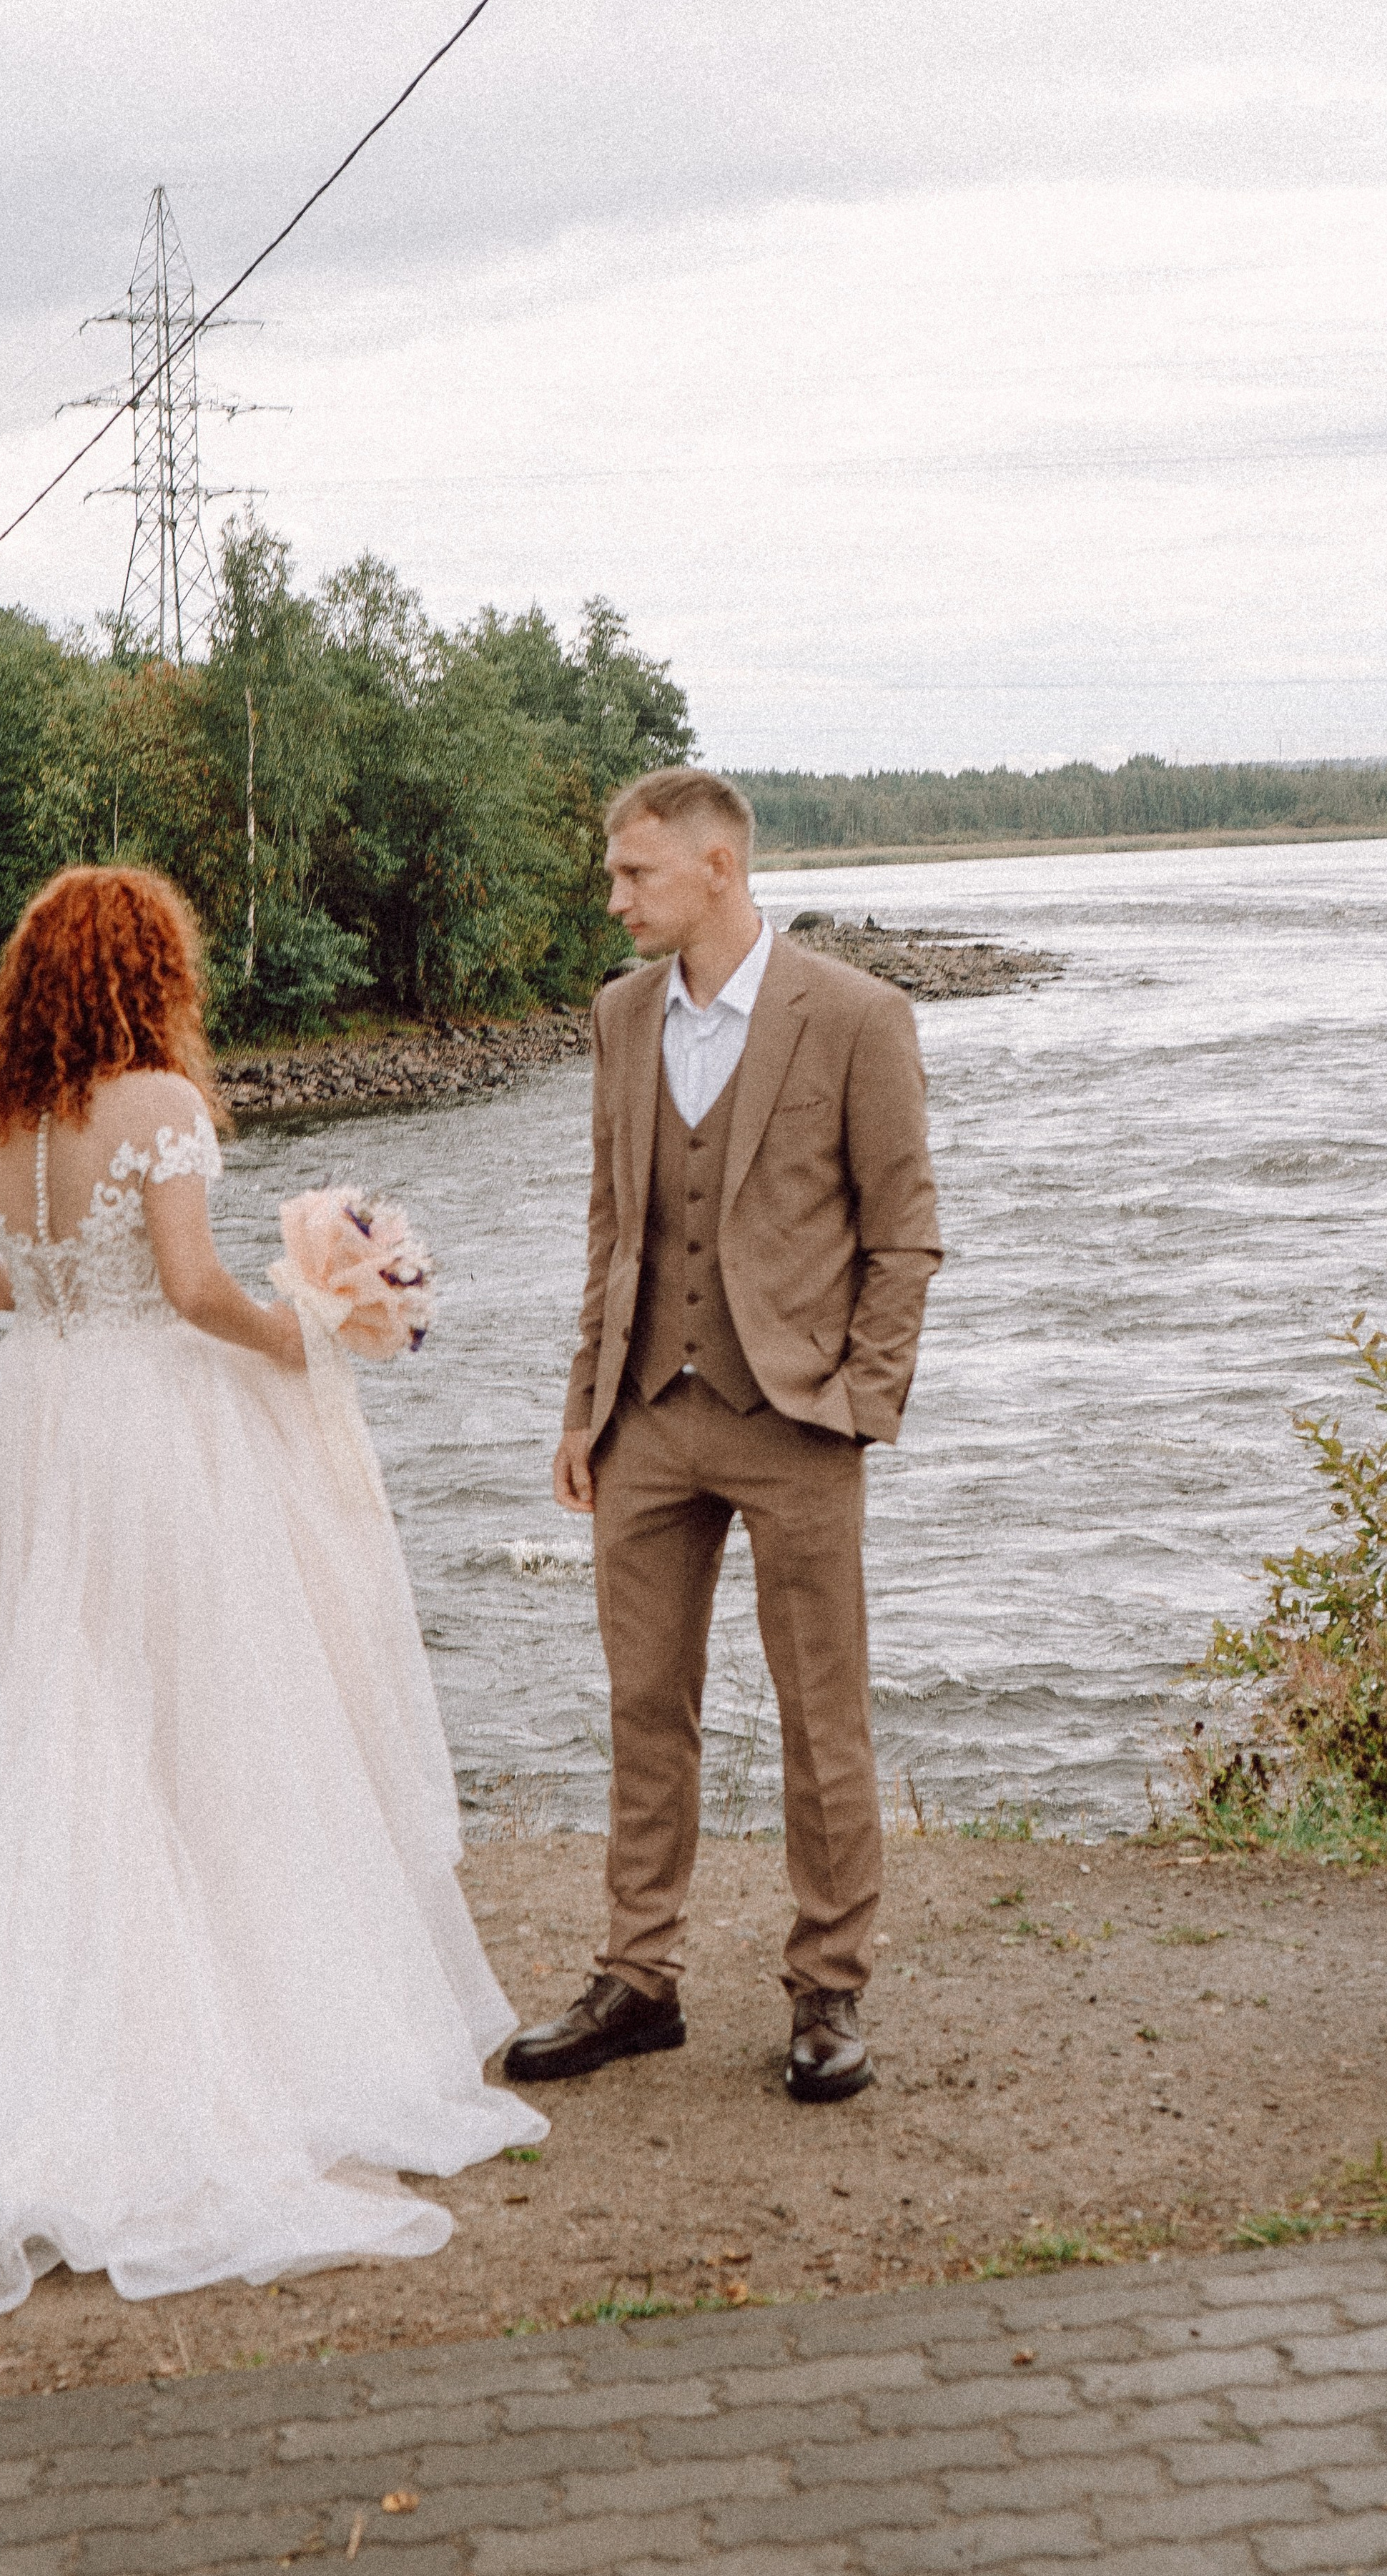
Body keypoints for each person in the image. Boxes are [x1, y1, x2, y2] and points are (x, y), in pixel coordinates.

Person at [0, 864, 543, 2317]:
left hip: (27, 1429)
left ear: (33, 976)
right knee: (180, 1711)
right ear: (149, 972)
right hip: (149, 1433)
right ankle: (174, 2062)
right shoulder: (158, 1107)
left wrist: (70, 1303)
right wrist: (312, 1336)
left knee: (18, 1704)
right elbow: (202, 1289)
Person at [504, 772, 941, 2103]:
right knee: (646, 1706)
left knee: (824, 1716)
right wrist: (587, 1406)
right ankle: (640, 1977)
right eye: (614, 874)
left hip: (798, 1418)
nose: (615, 896)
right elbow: (613, 1226)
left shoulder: (856, 1015)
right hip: (647, 1417)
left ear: (715, 867)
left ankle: (829, 1990)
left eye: (635, 875)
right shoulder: (620, 1016)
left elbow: (904, 1233)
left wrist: (860, 1401)